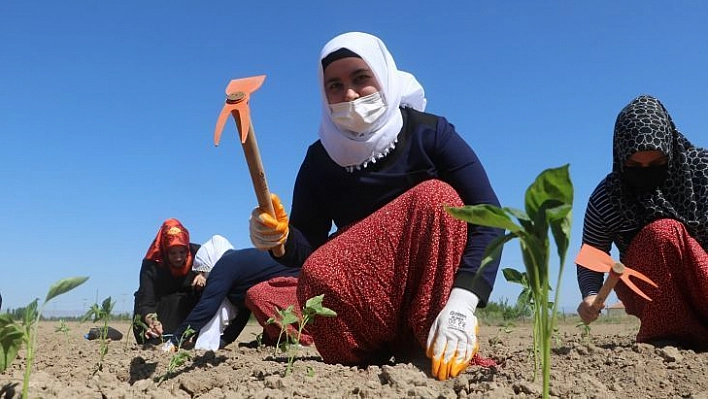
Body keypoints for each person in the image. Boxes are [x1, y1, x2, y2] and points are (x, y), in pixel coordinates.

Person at [248, 31, 503, 380]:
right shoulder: (320, 160)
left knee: (436, 199)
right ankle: (367, 354)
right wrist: (279, 240)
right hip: (369, 299)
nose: (349, 94)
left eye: (360, 78)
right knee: (283, 286)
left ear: (383, 76)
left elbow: (489, 216)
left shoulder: (430, 135)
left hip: (427, 287)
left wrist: (463, 302)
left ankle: (433, 336)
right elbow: (307, 248)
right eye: (334, 85)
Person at [576, 95, 708, 349]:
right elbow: (591, 256)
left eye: (658, 163)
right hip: (651, 290)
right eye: (635, 165)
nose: (646, 171)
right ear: (620, 156)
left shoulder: (701, 172)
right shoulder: (608, 197)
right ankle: (670, 335)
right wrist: (591, 296)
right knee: (662, 233)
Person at [163, 235, 305, 352]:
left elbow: (206, 307)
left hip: (298, 290)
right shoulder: (239, 268)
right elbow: (243, 314)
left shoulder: (225, 264)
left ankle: (294, 339)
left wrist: (176, 339)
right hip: (296, 289)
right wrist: (223, 341)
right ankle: (275, 341)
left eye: (205, 272)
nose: (206, 276)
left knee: (257, 295)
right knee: (254, 296)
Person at [132, 218, 203, 343]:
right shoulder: (151, 264)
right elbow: (146, 301)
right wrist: (152, 321)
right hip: (157, 310)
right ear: (164, 251)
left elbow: (220, 267)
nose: (178, 258)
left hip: (188, 307)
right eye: (172, 253)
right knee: (154, 339)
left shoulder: (199, 255)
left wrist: (204, 274)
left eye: (182, 252)